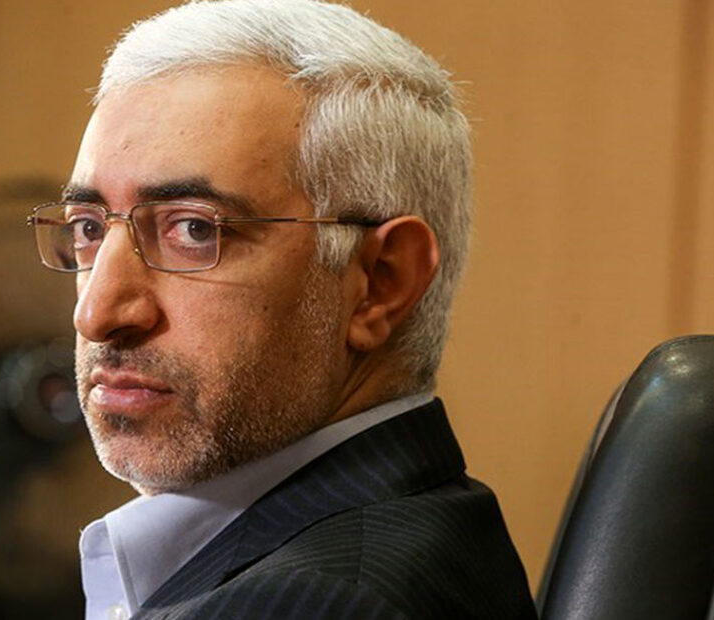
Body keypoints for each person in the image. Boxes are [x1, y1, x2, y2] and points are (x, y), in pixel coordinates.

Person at [27, 1, 536, 617]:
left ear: (381, 282)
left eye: (194, 229)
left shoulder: (316, 604)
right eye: (87, 228)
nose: (97, 314)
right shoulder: (421, 538)